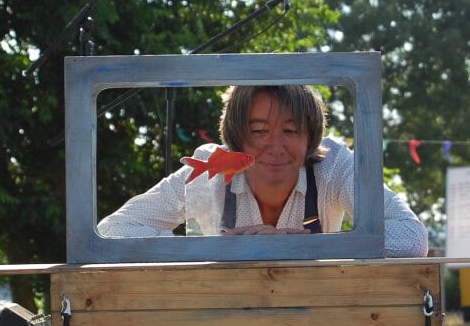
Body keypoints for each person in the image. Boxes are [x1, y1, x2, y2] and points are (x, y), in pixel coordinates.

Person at [97, 84, 429, 258]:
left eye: (290, 130)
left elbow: (411, 239)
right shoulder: (212, 169)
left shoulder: (335, 166)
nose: (275, 146)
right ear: (236, 136)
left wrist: (307, 249)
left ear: (311, 137)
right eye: (258, 131)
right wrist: (214, 250)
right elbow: (113, 230)